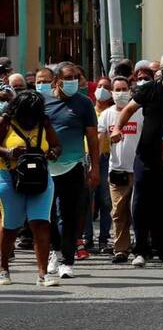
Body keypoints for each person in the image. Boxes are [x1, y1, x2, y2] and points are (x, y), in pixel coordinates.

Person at [112, 51, 163, 268]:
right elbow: (128, 109)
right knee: (141, 203)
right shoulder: (148, 89)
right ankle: (140, 250)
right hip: (145, 156)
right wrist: (117, 128)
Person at [0, 91, 63, 286]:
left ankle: (43, 274)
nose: (30, 119)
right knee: (11, 226)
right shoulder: (6, 122)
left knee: (41, 223)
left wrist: (53, 153)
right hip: (9, 178)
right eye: (26, 115)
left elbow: (56, 145)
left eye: (33, 115)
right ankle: (3, 269)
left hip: (40, 179)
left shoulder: (44, 122)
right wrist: (8, 152)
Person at [43, 62, 99, 279]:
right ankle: (55, 251)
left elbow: (92, 138)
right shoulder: (43, 101)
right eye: (68, 78)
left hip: (73, 166)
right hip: (46, 169)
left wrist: (94, 168)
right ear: (56, 81)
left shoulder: (84, 103)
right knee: (46, 216)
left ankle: (67, 260)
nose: (73, 81)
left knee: (69, 215)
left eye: (75, 77)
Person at [97, 77, 143, 264]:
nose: (121, 93)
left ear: (130, 91)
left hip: (138, 169)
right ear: (112, 92)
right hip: (117, 170)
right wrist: (94, 163)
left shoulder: (140, 113)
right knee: (118, 212)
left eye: (124, 89)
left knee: (137, 211)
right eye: (117, 89)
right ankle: (121, 249)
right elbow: (100, 138)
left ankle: (141, 247)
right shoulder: (106, 114)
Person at [84, 76, 113, 255]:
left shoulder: (114, 112)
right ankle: (87, 238)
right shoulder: (89, 110)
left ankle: (104, 238)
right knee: (87, 199)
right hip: (87, 157)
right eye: (100, 86)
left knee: (105, 201)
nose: (102, 89)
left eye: (106, 87)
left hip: (107, 158)